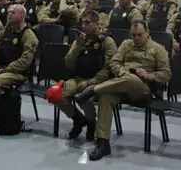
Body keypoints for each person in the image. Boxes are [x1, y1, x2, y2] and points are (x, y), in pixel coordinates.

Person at [86, 19, 171, 161]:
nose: (136, 38)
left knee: (132, 79)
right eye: (133, 35)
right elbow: (114, 62)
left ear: (147, 33)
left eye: (139, 35)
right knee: (106, 98)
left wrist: (149, 75)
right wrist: (122, 73)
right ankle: (103, 143)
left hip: (142, 90)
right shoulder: (126, 45)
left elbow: (166, 74)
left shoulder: (158, 49)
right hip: (121, 85)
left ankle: (93, 89)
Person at [56, 10, 117, 140]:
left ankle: (91, 123)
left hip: (98, 82)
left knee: (82, 96)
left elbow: (109, 69)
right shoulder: (80, 39)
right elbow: (68, 62)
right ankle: (78, 119)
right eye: (82, 23)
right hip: (78, 79)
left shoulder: (107, 41)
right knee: (55, 95)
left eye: (88, 23)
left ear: (97, 24)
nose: (84, 26)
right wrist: (78, 46)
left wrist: (90, 82)